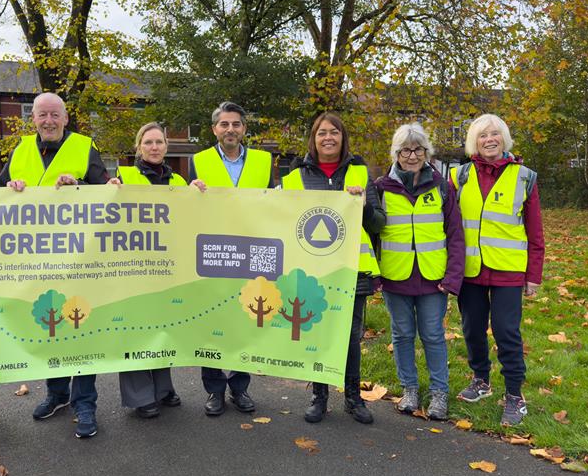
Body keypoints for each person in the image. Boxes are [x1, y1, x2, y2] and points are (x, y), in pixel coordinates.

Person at [0, 92, 109, 438]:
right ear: (33, 119)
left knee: (82, 328)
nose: (48, 121)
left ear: (65, 119)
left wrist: (81, 187)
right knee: (52, 326)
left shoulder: (85, 147)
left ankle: (84, 402)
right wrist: (10, 187)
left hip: (80, 260)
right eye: (42, 115)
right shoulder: (19, 152)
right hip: (38, 263)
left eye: (54, 115)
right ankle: (57, 394)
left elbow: (106, 193)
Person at [281, 112, 385, 425]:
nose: (328, 138)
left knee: (351, 336)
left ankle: (353, 398)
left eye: (334, 132)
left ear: (343, 137)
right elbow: (276, 219)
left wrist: (364, 204)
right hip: (312, 271)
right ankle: (319, 397)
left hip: (353, 270)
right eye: (322, 132)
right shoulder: (295, 177)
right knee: (318, 330)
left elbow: (380, 223)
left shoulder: (361, 173)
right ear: (313, 139)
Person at [450, 113, 544, 426]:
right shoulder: (458, 176)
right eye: (482, 135)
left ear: (504, 138)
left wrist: (534, 276)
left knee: (506, 332)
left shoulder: (524, 177)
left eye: (495, 134)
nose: (489, 140)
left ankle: (515, 396)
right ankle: (481, 380)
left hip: (508, 271)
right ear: (473, 142)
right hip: (471, 271)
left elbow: (535, 231)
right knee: (472, 328)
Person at [375, 123, 464, 420]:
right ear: (396, 153)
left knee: (433, 335)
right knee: (401, 335)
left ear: (427, 153)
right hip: (395, 276)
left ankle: (439, 392)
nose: (412, 156)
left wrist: (452, 278)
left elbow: (455, 235)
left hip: (433, 279)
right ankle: (409, 389)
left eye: (418, 150)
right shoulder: (381, 187)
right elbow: (372, 234)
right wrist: (374, 274)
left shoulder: (441, 186)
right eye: (405, 150)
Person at [189, 101, 273, 416]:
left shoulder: (264, 161)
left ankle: (240, 388)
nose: (230, 130)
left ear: (244, 129)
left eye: (236, 124)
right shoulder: (199, 161)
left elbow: (274, 203)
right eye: (224, 124)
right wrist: (191, 189)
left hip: (252, 254)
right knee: (212, 322)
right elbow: (190, 205)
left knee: (244, 322)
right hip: (214, 253)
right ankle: (214, 390)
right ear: (214, 129)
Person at [107, 122, 185, 418]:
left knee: (163, 327)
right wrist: (109, 190)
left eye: (159, 142)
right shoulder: (124, 176)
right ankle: (141, 396)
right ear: (138, 147)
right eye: (148, 142)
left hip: (167, 267)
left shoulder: (177, 179)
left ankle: (163, 389)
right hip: (134, 267)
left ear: (167, 146)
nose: (154, 147)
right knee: (135, 329)